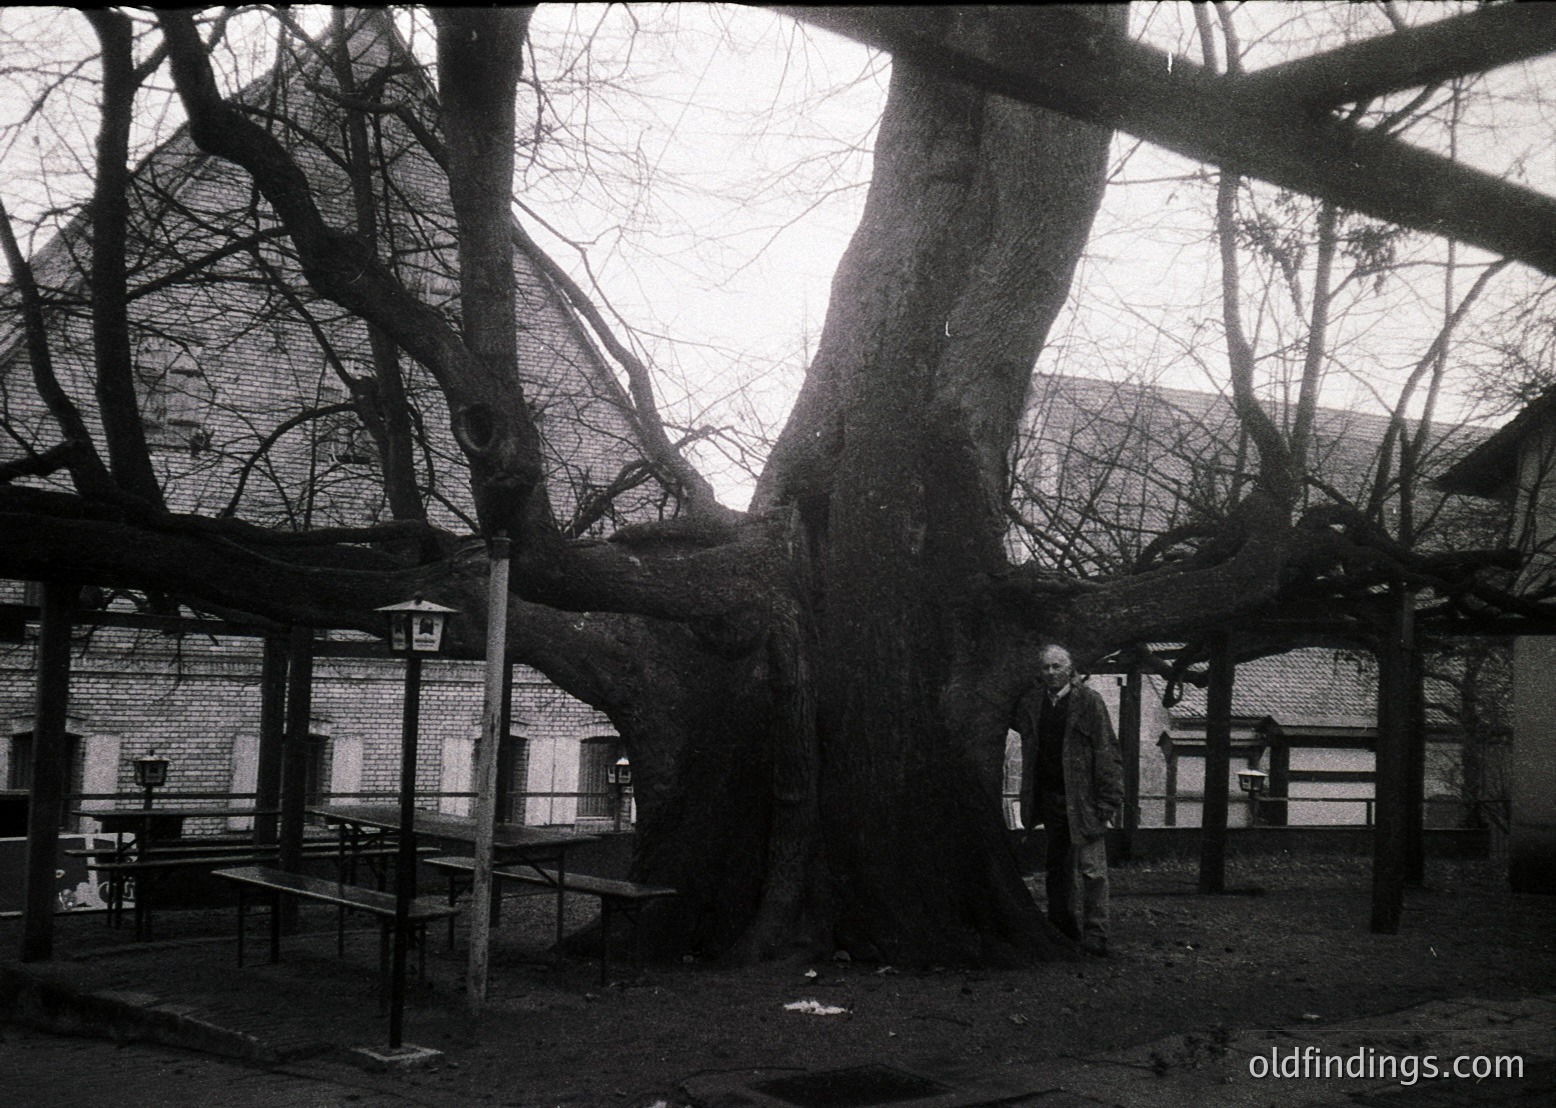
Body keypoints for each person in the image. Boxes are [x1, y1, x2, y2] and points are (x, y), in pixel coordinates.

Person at [1010, 644, 1123, 956]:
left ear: (1071, 669)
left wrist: (1108, 799)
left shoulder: (1089, 701)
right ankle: (1062, 928)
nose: (1051, 673)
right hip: (1051, 798)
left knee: (1092, 870)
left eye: (1057, 666)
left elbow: (1106, 750)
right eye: (1045, 667)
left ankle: (1096, 934)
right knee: (1057, 867)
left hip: (1084, 801)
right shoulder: (1032, 704)